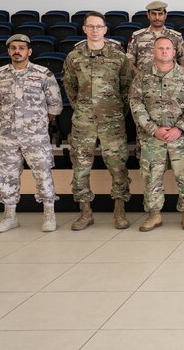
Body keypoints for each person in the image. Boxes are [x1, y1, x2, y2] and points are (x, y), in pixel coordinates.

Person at [63, 12, 134, 231]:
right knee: (80, 168)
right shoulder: (74, 57)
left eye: (99, 27)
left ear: (105, 30)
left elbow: (126, 87)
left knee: (118, 167)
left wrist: (114, 110)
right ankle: (85, 212)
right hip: (83, 122)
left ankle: (119, 211)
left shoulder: (118, 57)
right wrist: (84, 108)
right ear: (84, 29)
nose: (95, 30)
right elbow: (70, 88)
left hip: (112, 121)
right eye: (91, 26)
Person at [0, 34, 63, 233]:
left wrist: (37, 123)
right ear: (8, 51)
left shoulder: (43, 74)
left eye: (21, 48)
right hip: (7, 135)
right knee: (6, 175)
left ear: (29, 51)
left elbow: (55, 105)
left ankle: (49, 215)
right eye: (13, 47)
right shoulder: (0, 74)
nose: (17, 51)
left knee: (43, 173)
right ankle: (10, 216)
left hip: (35, 135)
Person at [130, 36, 184, 232]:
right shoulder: (142, 77)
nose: (164, 51)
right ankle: (154, 215)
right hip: (153, 138)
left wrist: (179, 128)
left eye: (167, 48)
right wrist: (154, 129)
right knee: (151, 177)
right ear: (153, 51)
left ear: (174, 52)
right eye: (160, 48)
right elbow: (136, 105)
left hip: (181, 138)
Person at [126, 0, 184, 74]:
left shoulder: (176, 36)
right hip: (143, 81)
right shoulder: (137, 36)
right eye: (153, 14)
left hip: (170, 81)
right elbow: (129, 62)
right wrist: (140, 77)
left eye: (160, 14)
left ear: (165, 15)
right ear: (148, 15)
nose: (157, 17)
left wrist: (177, 76)